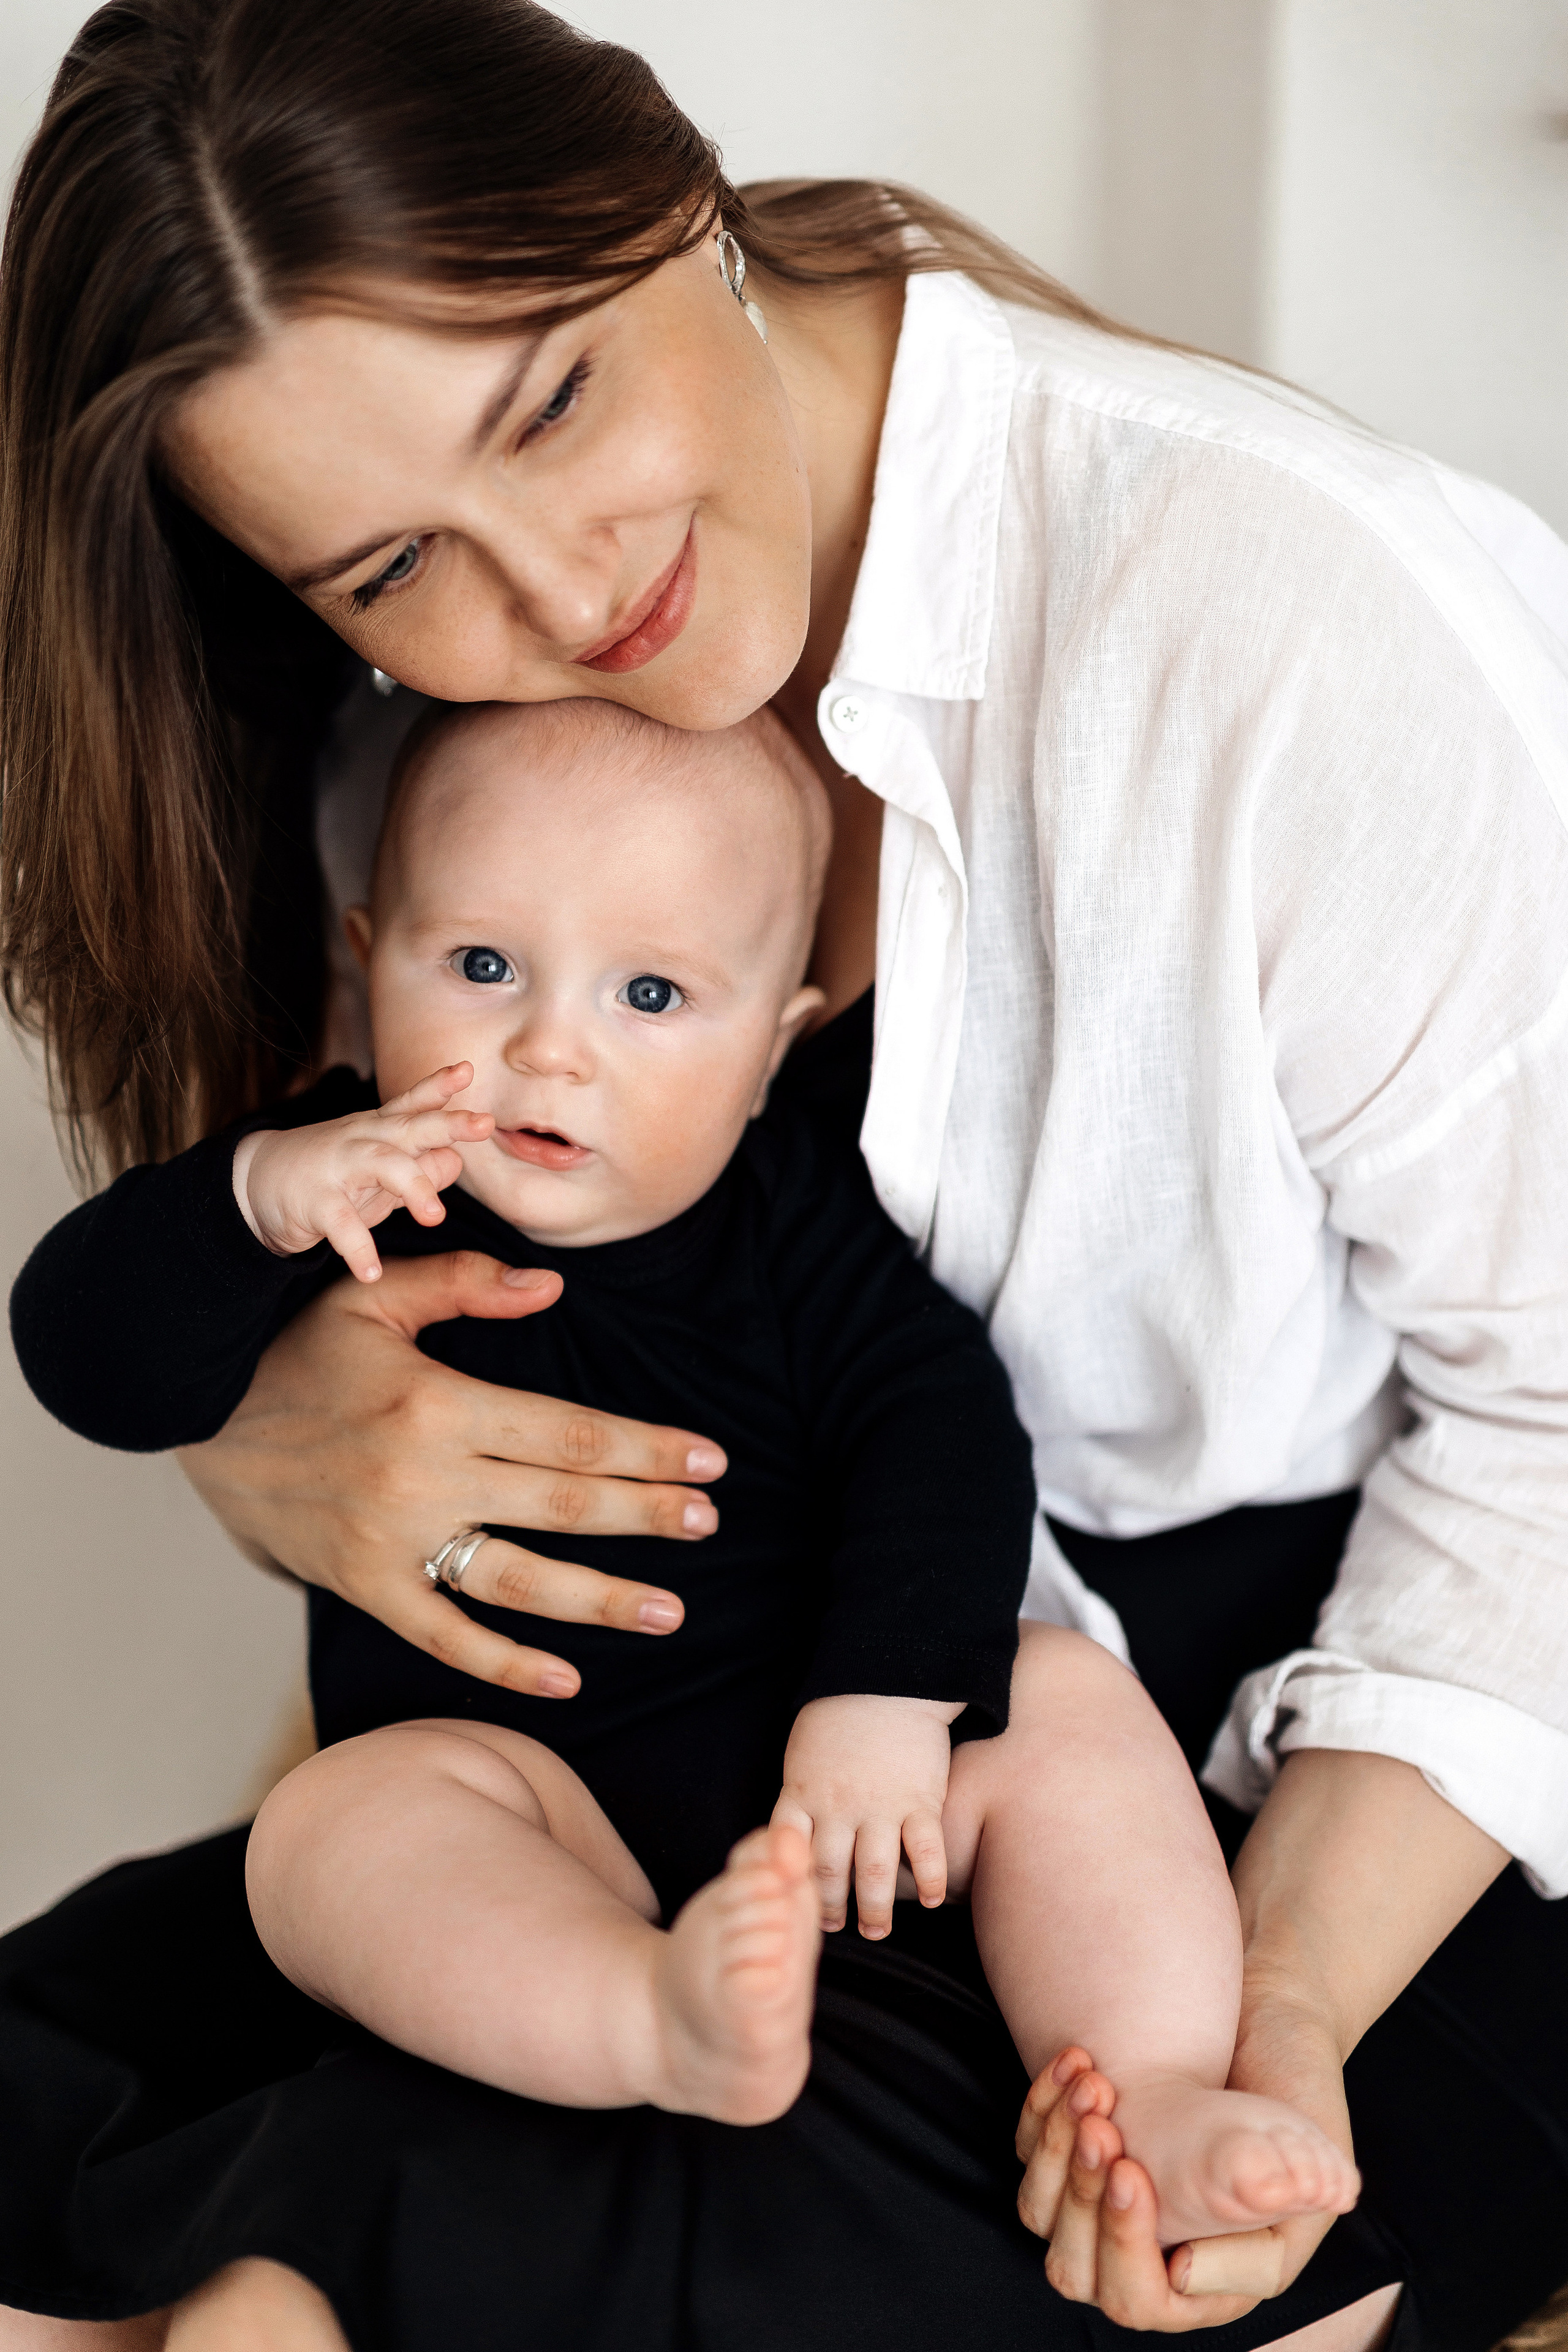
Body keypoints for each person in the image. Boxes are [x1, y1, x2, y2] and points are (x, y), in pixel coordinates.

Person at [0, 0, 1565, 2345]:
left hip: (1348, 1783)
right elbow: (215, 1290)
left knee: (516, 2206)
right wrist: (281, 1425)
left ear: (675, 195)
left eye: (552, 400)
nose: (553, 597)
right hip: (704, 1794)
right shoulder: (384, 765)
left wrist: (1279, 2023)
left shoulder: (1288, 631)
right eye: (394, 561)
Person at [12, 692, 1361, 2253]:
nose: (545, 1047)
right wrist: (251, 1195)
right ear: (370, 957)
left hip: (827, 1783)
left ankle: (1154, 2090)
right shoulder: (340, 1181)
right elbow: (85, 1361)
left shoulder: (793, 1224)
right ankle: (641, 2013)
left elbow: (940, 1434)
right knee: (323, 1833)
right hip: (518, 1807)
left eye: (649, 994)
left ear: (769, 1047)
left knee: (1055, 1701)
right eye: (479, 966)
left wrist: (886, 1702)